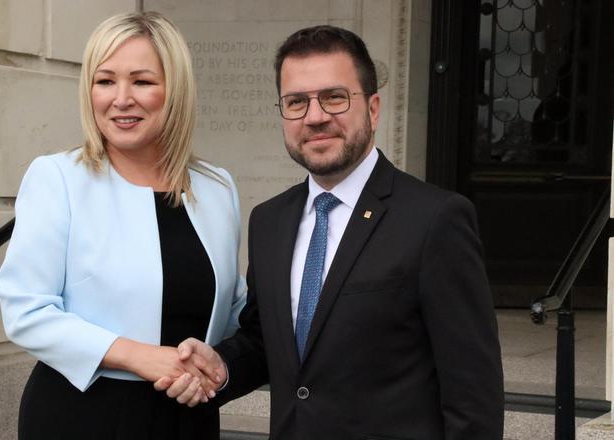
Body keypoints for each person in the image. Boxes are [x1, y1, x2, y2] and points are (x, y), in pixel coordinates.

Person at [163, 25, 505, 439]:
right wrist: (222, 366)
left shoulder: (436, 219)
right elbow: (265, 342)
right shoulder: (269, 221)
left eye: (334, 97)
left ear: (374, 108)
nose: (316, 116)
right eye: (296, 102)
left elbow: (473, 391)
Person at [0, 11, 243, 440]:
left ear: (176, 91)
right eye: (105, 80)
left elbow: (235, 310)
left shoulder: (217, 187)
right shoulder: (59, 178)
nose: (120, 98)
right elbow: (26, 310)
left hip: (189, 417)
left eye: (142, 82)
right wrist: (141, 357)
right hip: (82, 414)